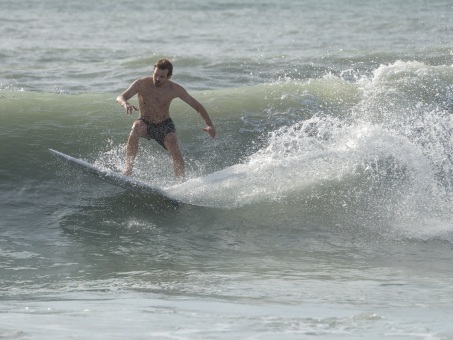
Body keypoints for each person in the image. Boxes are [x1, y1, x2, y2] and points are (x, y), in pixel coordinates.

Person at [116, 58, 216, 179]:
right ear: (153, 71)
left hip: (164, 123)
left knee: (173, 143)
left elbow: (197, 106)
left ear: (169, 77)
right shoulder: (141, 84)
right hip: (145, 121)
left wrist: (209, 124)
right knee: (135, 128)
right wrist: (125, 104)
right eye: (156, 74)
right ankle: (128, 170)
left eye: (162, 77)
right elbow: (121, 96)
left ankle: (181, 181)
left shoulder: (175, 89)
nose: (157, 79)